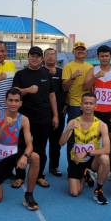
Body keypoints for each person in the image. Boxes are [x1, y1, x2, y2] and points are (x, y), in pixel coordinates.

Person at [0, 88, 41, 210]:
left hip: (13, 155)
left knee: (35, 157)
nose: (13, 103)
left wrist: (24, 156)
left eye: (16, 101)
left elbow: (29, 144)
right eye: (10, 100)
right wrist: (3, 126)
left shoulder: (23, 119)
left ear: (20, 103)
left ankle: (28, 195)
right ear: (5, 101)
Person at [11, 46, 58, 188]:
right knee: (21, 146)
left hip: (43, 117)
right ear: (28, 57)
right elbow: (15, 94)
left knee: (40, 148)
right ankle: (19, 175)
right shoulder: (20, 74)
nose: (34, 58)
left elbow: (52, 95)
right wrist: (27, 90)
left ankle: (39, 175)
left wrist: (55, 115)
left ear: (41, 58)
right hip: (24, 117)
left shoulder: (46, 74)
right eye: (32, 55)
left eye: (37, 56)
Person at [59, 93, 111, 205]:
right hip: (76, 160)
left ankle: (99, 190)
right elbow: (61, 143)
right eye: (85, 103)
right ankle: (85, 175)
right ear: (81, 106)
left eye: (91, 103)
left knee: (105, 159)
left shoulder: (101, 125)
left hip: (92, 160)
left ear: (95, 106)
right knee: (74, 192)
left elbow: (107, 149)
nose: (88, 106)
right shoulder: (73, 122)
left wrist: (87, 152)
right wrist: (68, 130)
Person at [84, 45, 111, 173]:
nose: (104, 58)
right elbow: (85, 86)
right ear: (98, 57)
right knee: (92, 140)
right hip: (95, 112)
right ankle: (90, 168)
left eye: (107, 56)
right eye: (102, 56)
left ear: (110, 57)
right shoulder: (93, 70)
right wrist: (96, 77)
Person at [44, 48, 66, 177]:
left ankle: (54, 166)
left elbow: (67, 90)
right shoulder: (40, 72)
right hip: (43, 112)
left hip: (59, 112)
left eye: (53, 54)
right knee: (40, 142)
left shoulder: (62, 72)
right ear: (44, 57)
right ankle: (39, 167)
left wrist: (66, 104)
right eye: (48, 55)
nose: (51, 57)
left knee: (55, 142)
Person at [62, 41, 93, 121]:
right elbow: (64, 88)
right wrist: (72, 77)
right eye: (77, 49)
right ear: (73, 52)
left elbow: (92, 87)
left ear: (85, 52)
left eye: (82, 49)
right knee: (74, 128)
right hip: (74, 104)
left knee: (86, 129)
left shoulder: (90, 67)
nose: (80, 51)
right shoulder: (68, 67)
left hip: (87, 103)